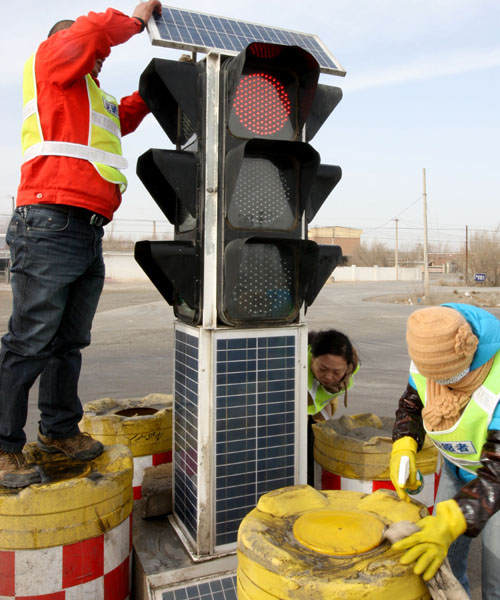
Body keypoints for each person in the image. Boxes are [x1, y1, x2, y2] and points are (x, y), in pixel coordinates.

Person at [0, 0, 162, 489]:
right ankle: (5, 446)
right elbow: (91, 33)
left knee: (67, 343)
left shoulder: (91, 98)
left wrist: (158, 86)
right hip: (49, 222)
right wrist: (134, 21)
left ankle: (58, 431)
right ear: (61, 44)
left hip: (85, 229)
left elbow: (124, 116)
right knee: (30, 342)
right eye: (91, 53)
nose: (100, 59)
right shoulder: (52, 60)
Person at [389, 304, 500, 599]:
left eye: (449, 380)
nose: (440, 388)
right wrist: (404, 444)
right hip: (454, 469)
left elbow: (498, 474)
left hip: (494, 482)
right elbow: (412, 402)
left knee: (496, 579)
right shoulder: (427, 353)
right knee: (446, 564)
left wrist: (451, 520)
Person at [307, 329, 359, 486]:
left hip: (319, 411)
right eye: (322, 369)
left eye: (336, 372)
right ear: (312, 359)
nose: (329, 377)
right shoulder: (296, 364)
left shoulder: (352, 366)